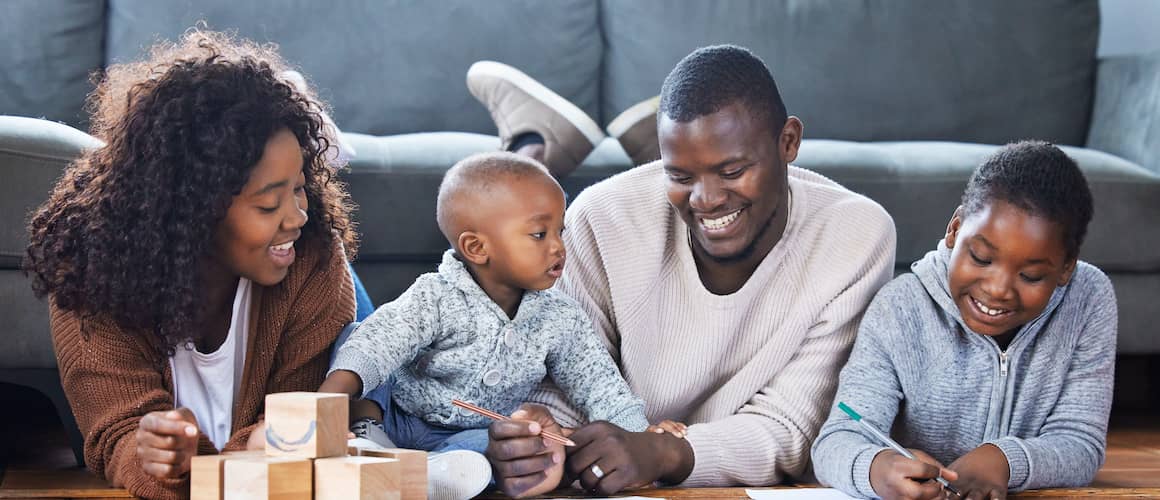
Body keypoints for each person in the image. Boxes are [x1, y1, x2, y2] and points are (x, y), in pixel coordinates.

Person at [468, 45, 898, 496]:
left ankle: (535, 142)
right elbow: (565, 382)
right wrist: (541, 437)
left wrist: (667, 453)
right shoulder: (598, 217)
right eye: (680, 175)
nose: (706, 199)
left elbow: (795, 427)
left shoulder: (857, 235)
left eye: (732, 171)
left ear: (788, 142)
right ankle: (532, 143)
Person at [23, 31, 357, 499]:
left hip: (335, 292)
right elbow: (114, 433)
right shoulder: (91, 277)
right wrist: (157, 457)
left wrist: (239, 452)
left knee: (377, 373)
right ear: (195, 210)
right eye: (268, 204)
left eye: (299, 188)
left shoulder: (314, 261)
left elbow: (287, 432)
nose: (297, 216)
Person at [321, 151, 655, 497]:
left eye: (560, 230)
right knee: (365, 336)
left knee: (510, 451)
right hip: (395, 413)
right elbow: (379, 344)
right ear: (477, 247)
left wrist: (639, 437)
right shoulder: (436, 295)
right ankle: (365, 433)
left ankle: (435, 474)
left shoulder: (560, 317)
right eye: (540, 234)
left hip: (469, 433)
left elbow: (599, 383)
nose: (558, 247)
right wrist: (325, 403)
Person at [810, 141, 1116, 500]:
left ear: (1066, 267)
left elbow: (1081, 444)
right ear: (955, 230)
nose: (998, 289)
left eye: (1031, 276)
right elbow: (836, 441)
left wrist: (1004, 460)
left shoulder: (1089, 299)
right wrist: (877, 468)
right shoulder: (900, 308)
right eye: (982, 258)